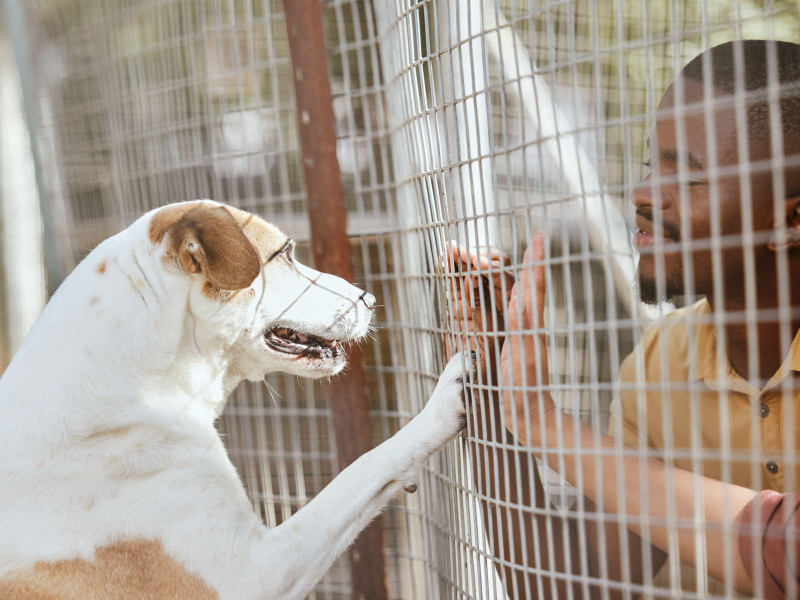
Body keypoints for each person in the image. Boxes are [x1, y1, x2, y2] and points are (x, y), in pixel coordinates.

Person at [443, 39, 800, 599]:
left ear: (791, 220)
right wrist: (494, 392)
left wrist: (542, 420)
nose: (640, 193)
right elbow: (571, 589)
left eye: (686, 176)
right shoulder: (659, 365)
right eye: (650, 163)